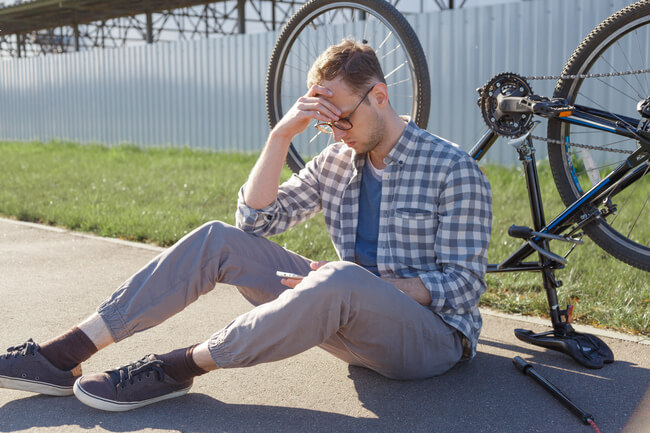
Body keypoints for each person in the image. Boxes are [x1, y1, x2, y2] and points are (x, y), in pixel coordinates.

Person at [0, 39, 492, 412]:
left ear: (379, 96)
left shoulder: (453, 169)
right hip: (347, 320)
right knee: (219, 238)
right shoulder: (338, 159)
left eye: (339, 118)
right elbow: (255, 221)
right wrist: (282, 134)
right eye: (323, 122)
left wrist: (361, 285)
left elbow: (463, 287)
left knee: (342, 277)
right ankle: (64, 353)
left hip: (429, 343)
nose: (334, 132)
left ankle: (176, 366)